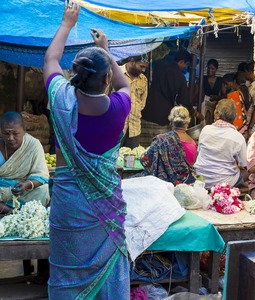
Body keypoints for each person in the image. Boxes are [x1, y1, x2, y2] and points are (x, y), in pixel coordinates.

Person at [43, 2, 131, 298]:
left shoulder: (61, 99)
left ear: (74, 73)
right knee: (108, 273)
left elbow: (50, 60)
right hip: (103, 210)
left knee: (67, 271)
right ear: (105, 79)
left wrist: (68, 23)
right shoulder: (118, 108)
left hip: (69, 208)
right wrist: (105, 49)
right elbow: (125, 85)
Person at [0, 112, 50, 214]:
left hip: (23, 189)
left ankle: (13, 210)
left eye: (15, 133)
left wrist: (26, 185)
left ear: (24, 130)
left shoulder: (33, 145)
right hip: (2, 188)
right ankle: (11, 211)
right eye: (6, 133)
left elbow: (41, 174)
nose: (10, 138)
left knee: (42, 190)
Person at [141, 49, 194, 143]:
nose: (185, 67)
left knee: (143, 149)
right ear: (181, 61)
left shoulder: (159, 66)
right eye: (185, 64)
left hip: (147, 114)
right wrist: (193, 113)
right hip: (162, 119)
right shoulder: (180, 77)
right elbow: (184, 101)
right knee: (159, 150)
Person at [194, 99, 247, 189]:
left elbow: (199, 153)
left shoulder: (205, 130)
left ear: (217, 115)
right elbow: (244, 164)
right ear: (234, 117)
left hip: (201, 179)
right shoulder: (238, 137)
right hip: (225, 182)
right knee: (248, 172)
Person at [140, 106, 196, 185]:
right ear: (187, 122)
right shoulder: (193, 143)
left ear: (171, 121)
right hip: (186, 184)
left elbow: (145, 159)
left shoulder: (161, 140)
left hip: (164, 185)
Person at [120, 55, 149, 148]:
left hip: (134, 128)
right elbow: (105, 96)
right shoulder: (116, 73)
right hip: (116, 126)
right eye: (141, 66)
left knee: (132, 159)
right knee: (112, 157)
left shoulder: (143, 80)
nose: (143, 70)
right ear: (132, 61)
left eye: (145, 67)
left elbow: (142, 103)